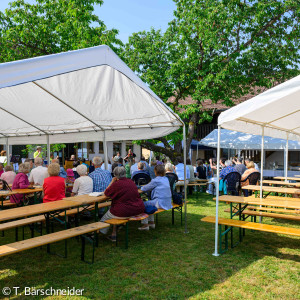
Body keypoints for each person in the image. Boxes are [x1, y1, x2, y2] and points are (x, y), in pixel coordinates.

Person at [99, 167, 145, 241]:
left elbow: (106, 193)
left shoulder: (117, 184)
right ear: (125, 174)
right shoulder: (131, 182)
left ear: (115, 175)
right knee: (115, 211)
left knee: (106, 217)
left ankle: (98, 233)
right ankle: (114, 234)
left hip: (124, 211)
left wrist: (112, 182)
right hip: (138, 208)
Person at [139, 165, 172, 230]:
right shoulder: (166, 179)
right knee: (149, 203)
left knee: (142, 204)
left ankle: (145, 224)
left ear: (155, 172)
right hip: (168, 202)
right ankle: (151, 222)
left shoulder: (155, 180)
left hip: (160, 202)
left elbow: (145, 188)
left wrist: (138, 189)